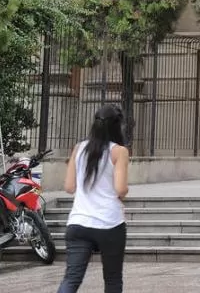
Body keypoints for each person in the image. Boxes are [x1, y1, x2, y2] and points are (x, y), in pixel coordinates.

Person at [57, 105, 129, 293]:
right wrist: (123, 192)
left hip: (79, 222)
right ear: (117, 126)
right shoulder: (119, 152)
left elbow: (69, 187)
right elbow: (120, 189)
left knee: (71, 279)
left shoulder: (79, 148)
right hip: (109, 224)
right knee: (112, 279)